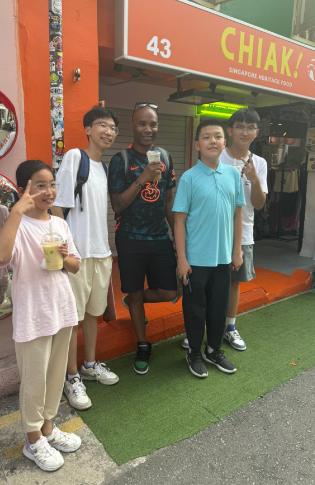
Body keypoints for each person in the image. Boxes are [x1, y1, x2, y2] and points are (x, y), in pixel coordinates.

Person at [0, 159, 82, 472]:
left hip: (62, 308)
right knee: (33, 381)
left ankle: (48, 429)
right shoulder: (17, 225)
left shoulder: (59, 222)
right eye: (39, 185)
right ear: (23, 189)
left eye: (51, 184)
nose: (48, 191)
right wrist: (16, 211)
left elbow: (75, 265)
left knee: (55, 376)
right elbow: (0, 258)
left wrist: (62, 258)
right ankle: (32, 440)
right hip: (33, 315)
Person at [51, 106, 120, 410]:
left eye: (112, 127)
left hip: (102, 252)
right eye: (102, 125)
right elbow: (57, 207)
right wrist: (62, 250)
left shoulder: (103, 169)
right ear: (88, 129)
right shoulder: (74, 158)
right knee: (71, 320)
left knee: (93, 314)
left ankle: (90, 366)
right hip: (77, 255)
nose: (108, 131)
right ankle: (70, 378)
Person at [182, 109, 267, 352]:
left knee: (232, 284)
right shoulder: (217, 156)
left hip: (243, 233)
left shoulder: (259, 163)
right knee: (205, 285)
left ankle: (229, 328)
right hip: (207, 236)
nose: (245, 131)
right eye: (239, 126)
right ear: (229, 132)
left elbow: (258, 204)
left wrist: (254, 178)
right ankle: (199, 331)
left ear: (256, 133)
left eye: (250, 128)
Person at [107, 102, 178, 375]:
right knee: (134, 292)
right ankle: (143, 344)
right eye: (142, 124)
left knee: (171, 292)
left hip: (160, 237)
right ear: (133, 126)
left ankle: (134, 301)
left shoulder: (166, 157)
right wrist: (144, 178)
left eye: (153, 124)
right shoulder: (120, 160)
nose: (148, 129)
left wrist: (177, 235)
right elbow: (117, 205)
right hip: (130, 239)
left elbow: (169, 199)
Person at [173, 118, 244, 377]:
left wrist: (236, 251)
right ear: (197, 145)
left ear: (225, 142)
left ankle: (213, 350)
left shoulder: (233, 175)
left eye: (217, 136)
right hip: (195, 260)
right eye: (206, 137)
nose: (212, 141)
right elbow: (179, 221)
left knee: (218, 307)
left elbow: (237, 216)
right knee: (194, 309)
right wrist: (182, 259)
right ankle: (193, 353)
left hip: (223, 258)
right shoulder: (189, 179)